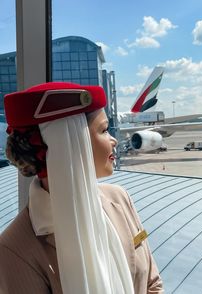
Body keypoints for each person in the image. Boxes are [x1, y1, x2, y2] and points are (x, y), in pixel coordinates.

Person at [0, 82, 164, 294]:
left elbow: (153, 284)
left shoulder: (120, 199)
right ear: (70, 142)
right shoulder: (14, 250)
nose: (113, 140)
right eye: (104, 130)